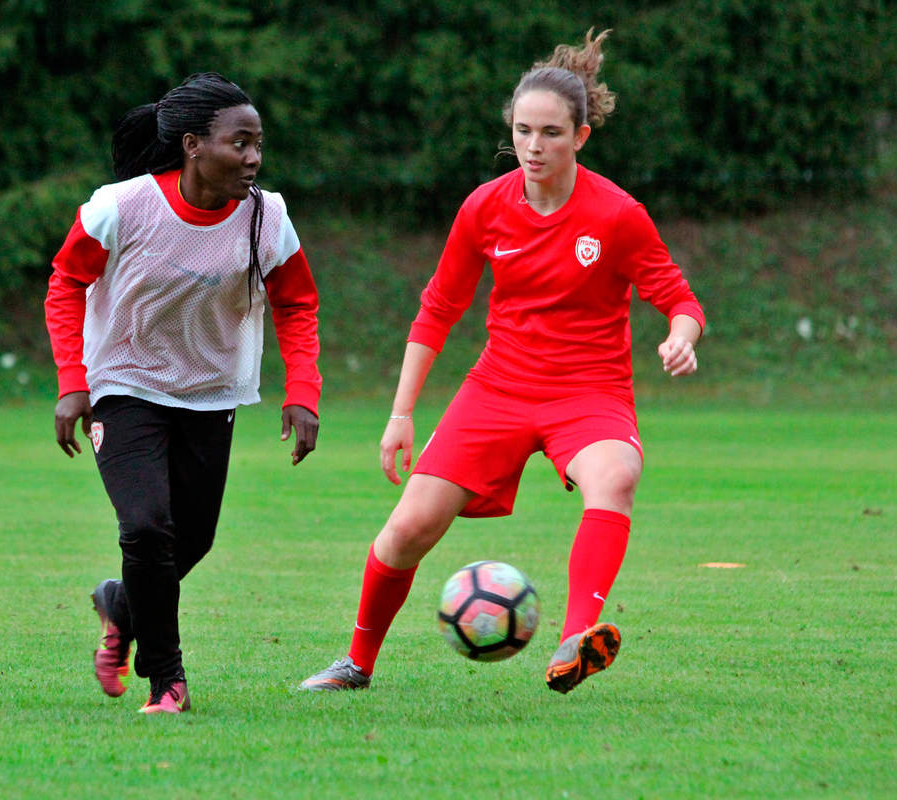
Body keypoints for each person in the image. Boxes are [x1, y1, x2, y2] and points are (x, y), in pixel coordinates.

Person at [300, 29, 703, 695]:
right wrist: (401, 414)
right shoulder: (485, 208)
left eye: (550, 132)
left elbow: (678, 297)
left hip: (589, 389)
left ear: (581, 137)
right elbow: (436, 311)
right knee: (407, 530)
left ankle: (577, 638)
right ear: (510, 132)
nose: (534, 146)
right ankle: (355, 664)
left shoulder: (617, 215)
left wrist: (680, 334)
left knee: (616, 475)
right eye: (523, 131)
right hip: (500, 388)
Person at [45, 72, 321, 714]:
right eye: (240, 142)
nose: (254, 157)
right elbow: (65, 283)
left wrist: (302, 389)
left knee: (189, 542)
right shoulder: (121, 207)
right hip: (124, 384)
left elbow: (298, 302)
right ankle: (167, 683)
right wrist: (71, 383)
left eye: (258, 144)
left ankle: (122, 606)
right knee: (146, 529)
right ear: (194, 145)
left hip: (211, 393)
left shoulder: (267, 217)